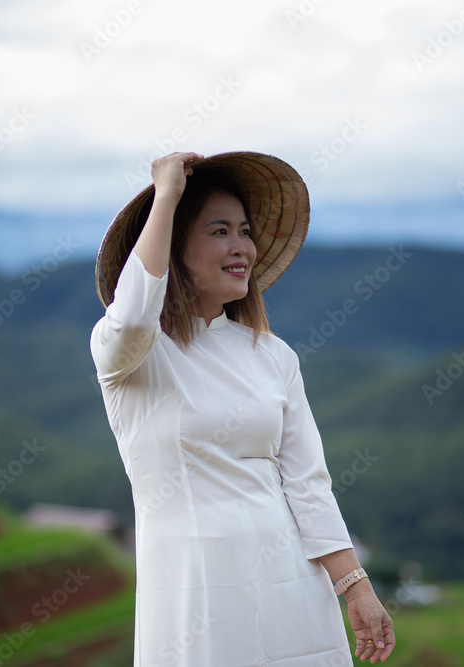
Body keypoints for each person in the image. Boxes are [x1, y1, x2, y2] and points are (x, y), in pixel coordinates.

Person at [91, 150, 395, 666]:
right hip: (194, 592)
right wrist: (166, 195)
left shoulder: (273, 356)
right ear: (172, 244)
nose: (242, 248)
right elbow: (134, 315)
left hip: (292, 587)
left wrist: (355, 587)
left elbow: (306, 483)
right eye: (219, 231)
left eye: (245, 231)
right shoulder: (131, 353)